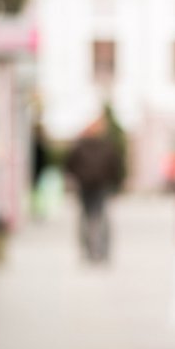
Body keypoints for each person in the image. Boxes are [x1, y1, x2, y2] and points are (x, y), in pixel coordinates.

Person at [64, 111, 125, 263]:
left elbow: (70, 165)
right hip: (97, 185)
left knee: (89, 217)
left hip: (91, 185)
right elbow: (115, 166)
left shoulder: (82, 145)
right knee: (97, 217)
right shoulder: (105, 145)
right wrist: (116, 184)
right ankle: (97, 251)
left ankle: (91, 251)